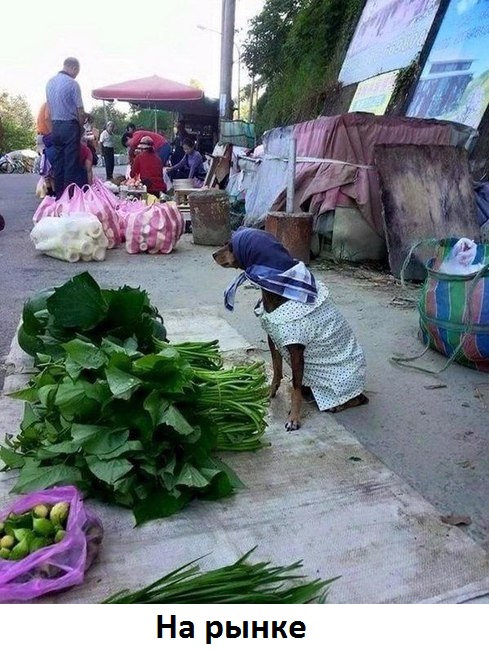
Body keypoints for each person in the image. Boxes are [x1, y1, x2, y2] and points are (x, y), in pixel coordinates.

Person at [45, 57, 85, 199]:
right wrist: (81, 129)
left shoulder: (50, 82)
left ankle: (58, 197)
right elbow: (80, 111)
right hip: (70, 126)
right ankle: (69, 198)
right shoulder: (73, 84)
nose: (76, 74)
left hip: (56, 126)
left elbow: (48, 111)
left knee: (58, 163)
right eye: (77, 71)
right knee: (70, 164)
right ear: (73, 68)